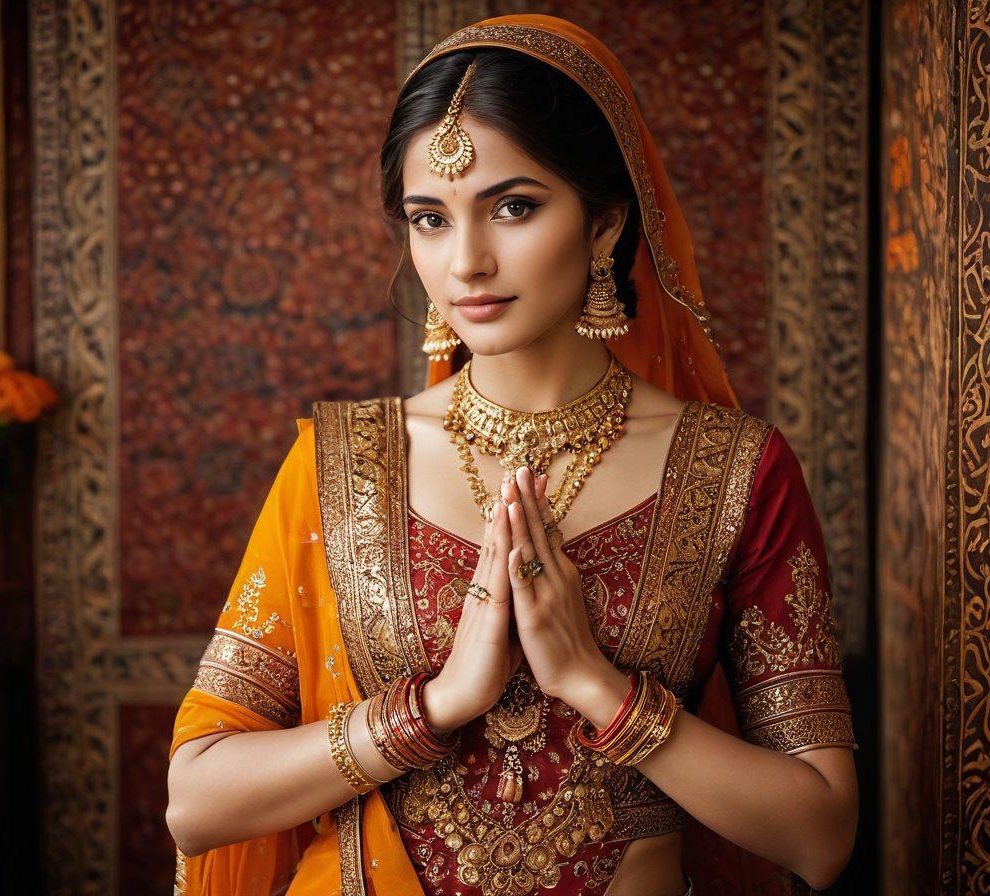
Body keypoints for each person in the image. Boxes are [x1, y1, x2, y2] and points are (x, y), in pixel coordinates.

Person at [165, 14, 859, 896]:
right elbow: (196, 801)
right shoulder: (339, 463)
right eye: (430, 218)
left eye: (514, 206)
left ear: (606, 224)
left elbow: (821, 834)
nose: (466, 262)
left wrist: (598, 686)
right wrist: (435, 707)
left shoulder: (735, 472)